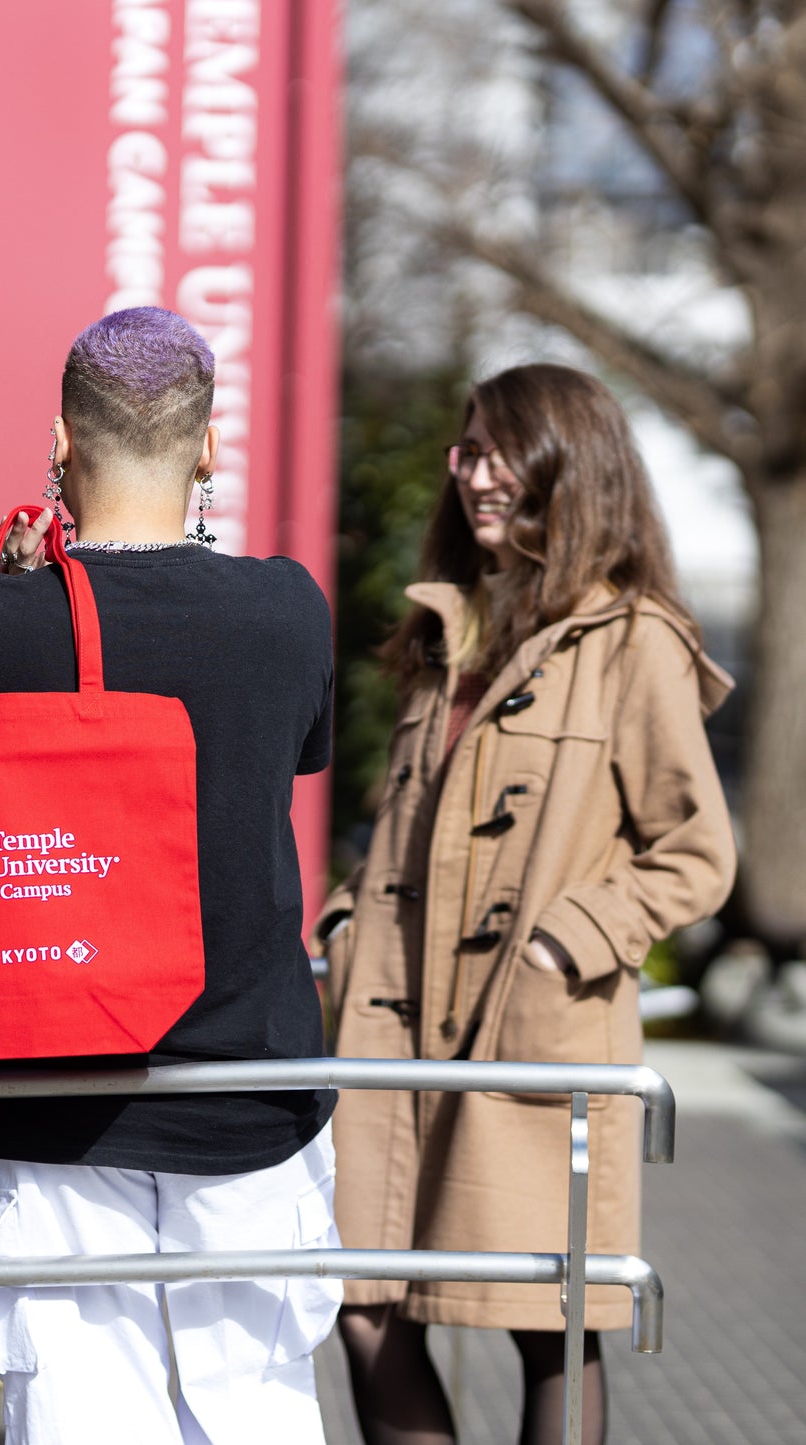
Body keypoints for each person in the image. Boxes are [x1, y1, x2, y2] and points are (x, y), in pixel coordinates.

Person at [0, 307, 342, 1445]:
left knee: (77, 1412)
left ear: (58, 445)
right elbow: (296, 752)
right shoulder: (284, 610)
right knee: (257, 1405)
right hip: (249, 1081)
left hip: (50, 1081)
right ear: (208, 445)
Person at [313, 363, 736, 1445]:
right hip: (389, 1035)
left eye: (499, 450)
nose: (474, 474)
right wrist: (344, 920)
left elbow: (693, 852)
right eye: (464, 451)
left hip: (528, 1039)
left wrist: (564, 938)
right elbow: (401, 833)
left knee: (546, 1316)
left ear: (572, 461)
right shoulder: (439, 639)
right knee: (359, 1300)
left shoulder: (632, 640)